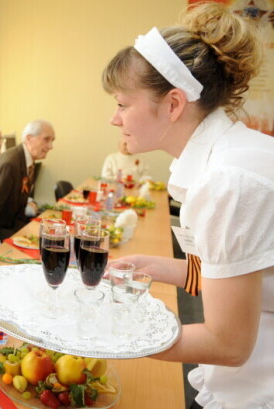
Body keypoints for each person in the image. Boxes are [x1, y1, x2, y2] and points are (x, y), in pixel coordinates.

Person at [102, 3, 273, 408]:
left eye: (123, 103)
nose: (114, 118)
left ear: (174, 104)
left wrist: (106, 337)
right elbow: (245, 279)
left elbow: (229, 343)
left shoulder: (227, 181)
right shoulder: (234, 155)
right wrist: (163, 267)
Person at [0, 119, 55, 239]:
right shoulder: (9, 164)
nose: (51, 146)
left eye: (52, 141)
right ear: (28, 138)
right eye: (46, 139)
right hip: (0, 234)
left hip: (16, 227)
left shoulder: (27, 161)